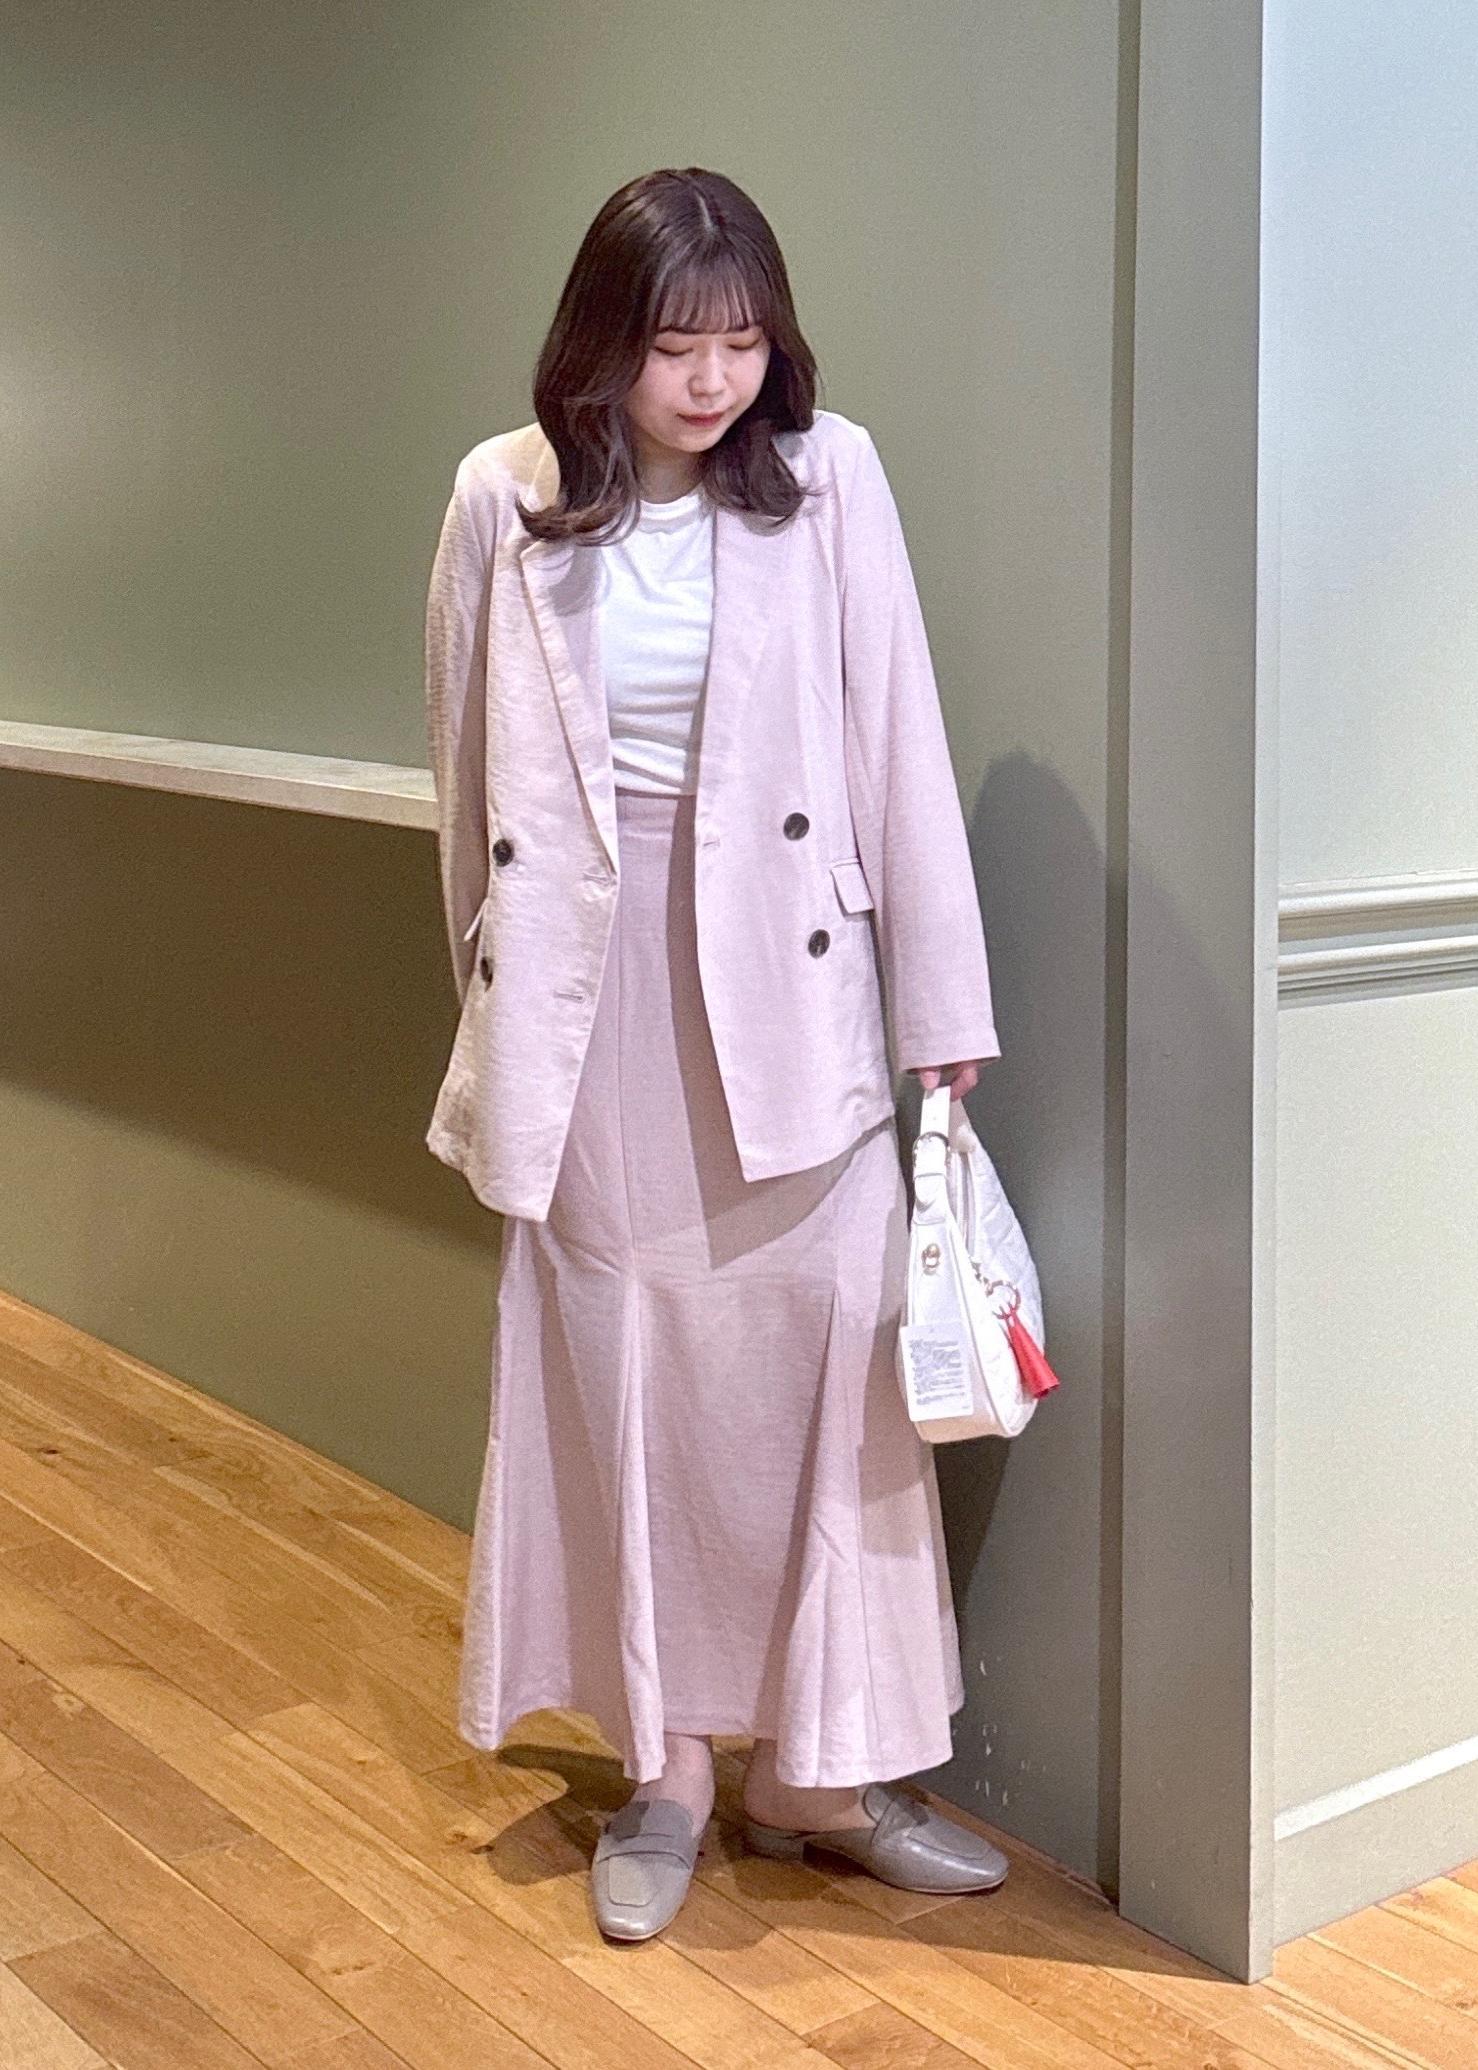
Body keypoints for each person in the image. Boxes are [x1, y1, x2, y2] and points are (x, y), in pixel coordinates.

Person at [424, 166, 1010, 1942]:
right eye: (674, 343)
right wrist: (490, 1009)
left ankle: (818, 1771)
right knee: (622, 1367)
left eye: (741, 342)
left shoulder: (829, 476)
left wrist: (942, 1014)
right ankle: (667, 1766)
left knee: (826, 1365)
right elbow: (463, 781)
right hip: (587, 1001)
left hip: (788, 980)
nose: (709, 381)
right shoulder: (503, 495)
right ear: (600, 340)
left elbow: (897, 732)